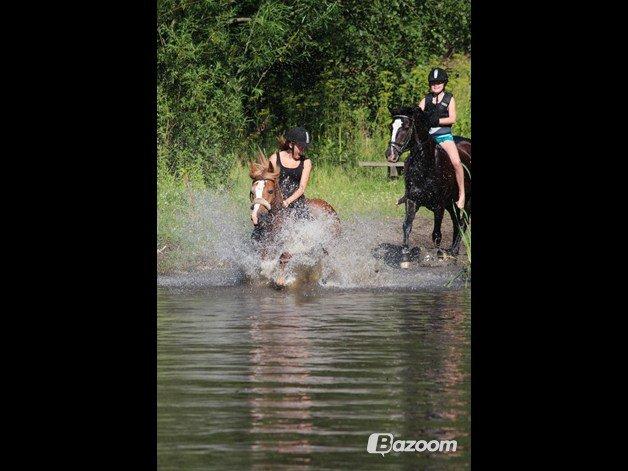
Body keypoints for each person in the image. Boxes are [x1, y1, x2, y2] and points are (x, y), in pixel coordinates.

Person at [419, 67, 466, 209]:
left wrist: (437, 121)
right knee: (412, 160)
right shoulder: (426, 99)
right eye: (433, 83)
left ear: (444, 83)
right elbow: (417, 114)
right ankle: (409, 192)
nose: (435, 85)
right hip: (429, 138)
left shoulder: (449, 98)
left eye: (438, 82)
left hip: (444, 136)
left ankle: (462, 194)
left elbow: (452, 118)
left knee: (457, 162)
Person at [269, 126, 312, 218]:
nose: (302, 151)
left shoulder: (306, 162)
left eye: (304, 148)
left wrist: (287, 202)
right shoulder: (274, 158)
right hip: (275, 202)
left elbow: (301, 188)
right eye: (300, 147)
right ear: (291, 145)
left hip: (297, 203)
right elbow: (268, 182)